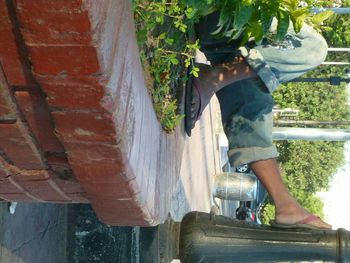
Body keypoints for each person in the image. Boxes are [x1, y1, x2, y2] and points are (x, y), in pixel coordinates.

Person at [186, 12, 332, 229]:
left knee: (254, 107)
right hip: (226, 15)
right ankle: (213, 78)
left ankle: (286, 205)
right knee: (313, 48)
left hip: (230, 37)